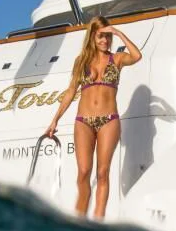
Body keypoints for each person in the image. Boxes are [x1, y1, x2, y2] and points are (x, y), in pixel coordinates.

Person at [42, 17, 142, 219]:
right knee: (84, 172)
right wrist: (55, 120)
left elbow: (137, 56)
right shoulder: (81, 61)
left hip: (109, 120)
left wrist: (119, 33)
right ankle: (79, 218)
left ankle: (97, 220)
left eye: (107, 36)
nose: (104, 40)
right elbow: (71, 92)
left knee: (103, 173)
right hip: (84, 121)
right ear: (92, 37)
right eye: (100, 36)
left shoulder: (118, 58)